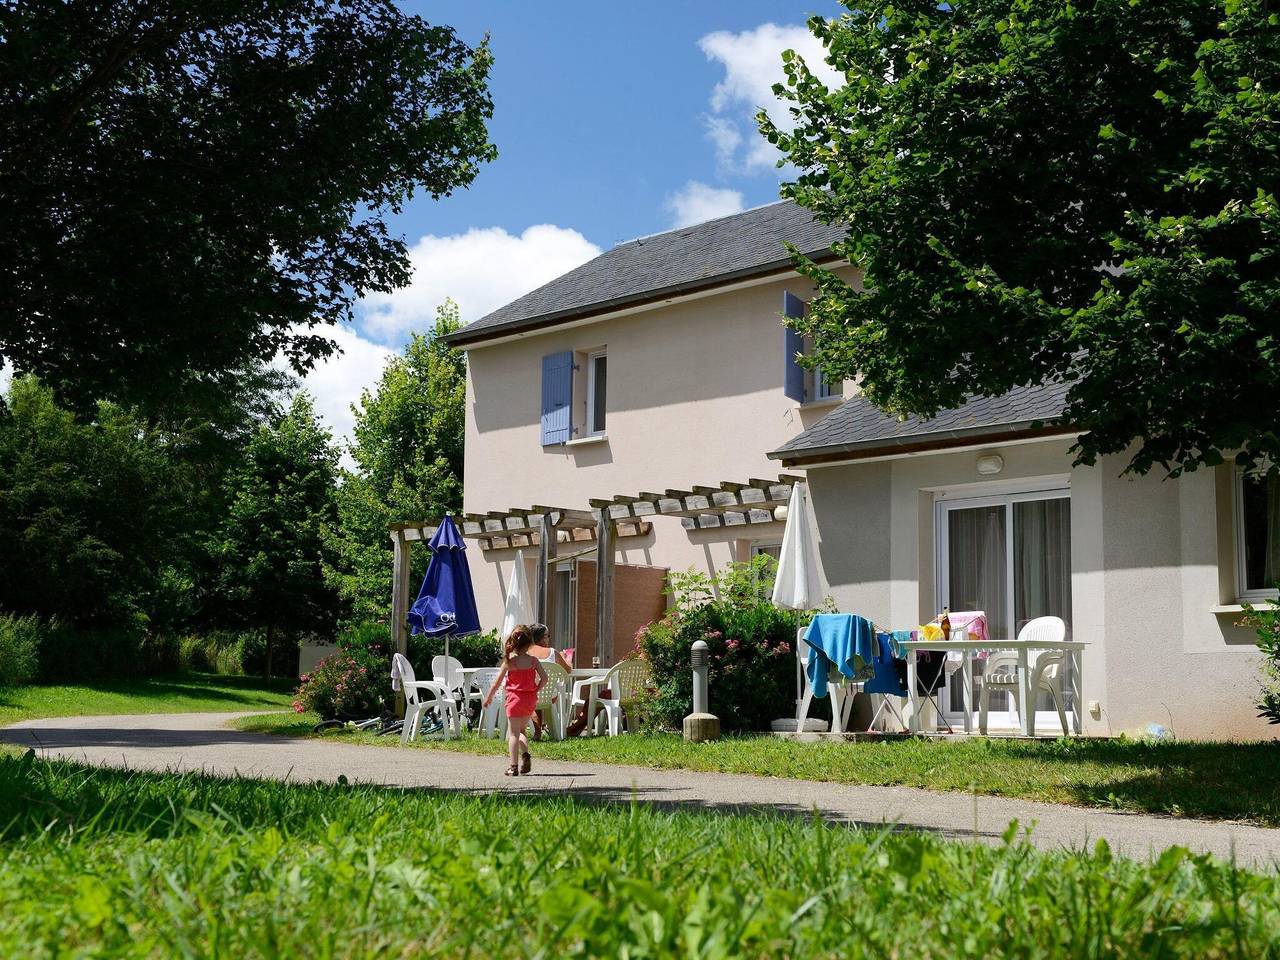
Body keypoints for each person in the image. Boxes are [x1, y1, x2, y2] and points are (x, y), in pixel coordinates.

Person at [483, 624, 546, 776]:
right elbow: (544, 678)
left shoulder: (510, 662)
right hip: (529, 700)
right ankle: (525, 755)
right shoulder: (533, 661)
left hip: (514, 700)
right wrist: (535, 690)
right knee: (522, 730)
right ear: (530, 643)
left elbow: (496, 683)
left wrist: (489, 697)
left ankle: (513, 766)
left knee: (513, 734)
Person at [527, 623, 571, 741]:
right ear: (540, 638)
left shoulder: (524, 653)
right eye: (547, 636)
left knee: (531, 697)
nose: (548, 638)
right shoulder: (553, 653)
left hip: (527, 695)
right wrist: (566, 658)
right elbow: (568, 670)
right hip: (549, 695)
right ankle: (542, 730)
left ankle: (537, 732)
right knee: (539, 696)